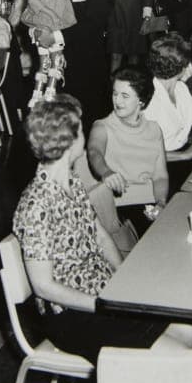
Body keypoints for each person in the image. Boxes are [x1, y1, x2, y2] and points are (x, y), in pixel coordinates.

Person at [12, 96, 175, 364]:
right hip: (72, 314)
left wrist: (123, 277)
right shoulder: (35, 204)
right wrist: (102, 304)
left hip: (103, 290)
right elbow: (43, 286)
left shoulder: (73, 183)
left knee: (185, 323)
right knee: (175, 353)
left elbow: (99, 234)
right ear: (71, 142)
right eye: (80, 129)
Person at [81, 66, 169, 245]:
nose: (117, 101)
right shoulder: (102, 126)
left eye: (125, 96)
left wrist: (161, 203)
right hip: (118, 210)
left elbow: (160, 176)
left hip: (149, 206)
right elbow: (94, 152)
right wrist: (106, 172)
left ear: (141, 101)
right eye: (115, 94)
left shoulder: (154, 130)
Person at [35, 0, 114, 130]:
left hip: (85, 65)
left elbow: (93, 24)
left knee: (86, 123)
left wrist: (54, 37)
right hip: (54, 64)